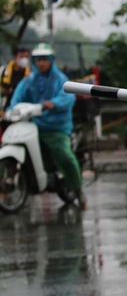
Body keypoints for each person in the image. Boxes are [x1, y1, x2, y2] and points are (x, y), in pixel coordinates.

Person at [9, 43, 87, 209]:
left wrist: (52, 104)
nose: (41, 63)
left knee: (64, 156)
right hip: (33, 126)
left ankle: (79, 191)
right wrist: (11, 110)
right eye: (38, 60)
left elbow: (68, 97)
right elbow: (16, 99)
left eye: (44, 59)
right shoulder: (28, 80)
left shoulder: (60, 80)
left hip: (55, 127)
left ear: (51, 60)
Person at [1, 45, 31, 112]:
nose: (24, 60)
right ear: (14, 57)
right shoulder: (3, 71)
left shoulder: (30, 75)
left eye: (26, 57)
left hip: (21, 110)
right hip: (3, 109)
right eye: (21, 57)